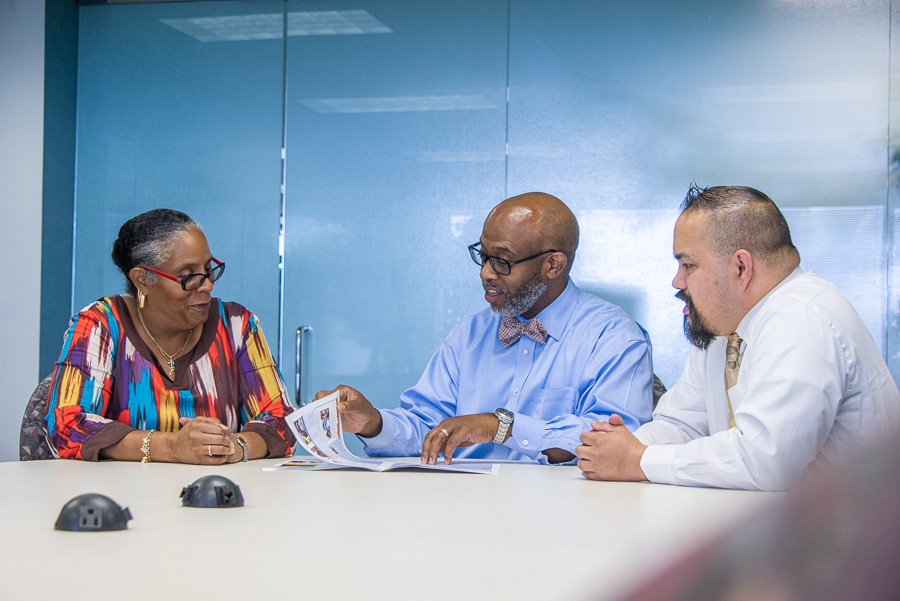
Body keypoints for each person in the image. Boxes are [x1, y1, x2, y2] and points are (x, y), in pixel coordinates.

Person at [576, 184, 900, 491]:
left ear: (741, 267)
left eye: (688, 265)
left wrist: (638, 460)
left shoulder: (800, 317)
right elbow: (683, 423)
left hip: (851, 528)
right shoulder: (725, 324)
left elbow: (765, 460)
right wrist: (619, 448)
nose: (677, 282)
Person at [317, 192, 654, 465]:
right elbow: (429, 427)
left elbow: (611, 442)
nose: (485, 273)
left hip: (565, 515)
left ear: (554, 264)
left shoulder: (615, 338)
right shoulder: (470, 334)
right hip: (463, 510)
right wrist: (372, 422)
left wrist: (501, 426)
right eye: (483, 256)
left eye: (503, 261)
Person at [45, 209, 296, 463]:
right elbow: (66, 426)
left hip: (216, 485)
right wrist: (171, 447)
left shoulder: (236, 325)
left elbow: (284, 421)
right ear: (142, 280)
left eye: (208, 269)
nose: (207, 284)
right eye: (188, 276)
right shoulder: (101, 324)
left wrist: (234, 446)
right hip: (123, 487)